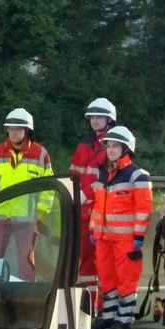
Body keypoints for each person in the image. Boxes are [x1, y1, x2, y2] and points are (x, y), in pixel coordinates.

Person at [0, 108, 53, 280]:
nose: (14, 132)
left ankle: (26, 294)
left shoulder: (41, 154)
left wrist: (41, 211)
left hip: (27, 218)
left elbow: (48, 186)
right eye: (11, 128)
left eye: (18, 129)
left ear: (27, 131)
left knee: (26, 262)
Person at [89, 126, 151, 329]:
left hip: (126, 240)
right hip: (103, 238)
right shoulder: (102, 174)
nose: (111, 150)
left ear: (126, 149)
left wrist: (138, 236)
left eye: (116, 146)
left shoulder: (137, 176)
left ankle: (124, 321)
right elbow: (96, 206)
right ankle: (108, 316)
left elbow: (143, 209)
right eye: (108, 146)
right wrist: (92, 229)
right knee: (106, 278)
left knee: (126, 280)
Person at [69, 98, 117, 286]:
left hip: (103, 212)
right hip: (82, 212)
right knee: (85, 259)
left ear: (109, 120)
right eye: (92, 117)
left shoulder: (113, 146)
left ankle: (105, 304)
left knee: (103, 260)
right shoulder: (84, 145)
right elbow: (73, 172)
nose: (95, 120)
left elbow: (105, 178)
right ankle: (89, 303)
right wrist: (71, 192)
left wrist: (84, 194)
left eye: (100, 117)